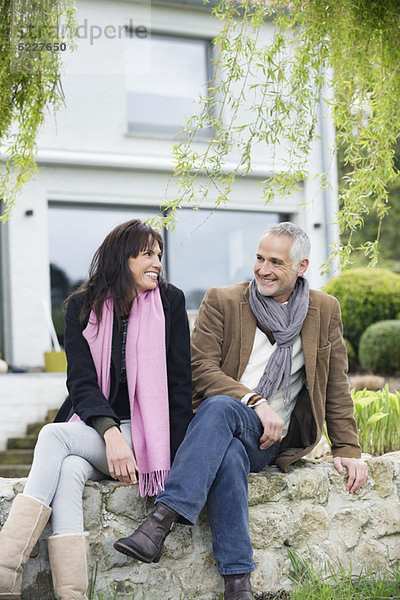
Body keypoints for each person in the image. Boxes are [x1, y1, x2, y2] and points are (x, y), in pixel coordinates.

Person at [113, 221, 368, 600]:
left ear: (301, 267)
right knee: (224, 436)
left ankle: (158, 524)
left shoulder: (324, 310)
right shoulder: (224, 301)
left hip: (269, 439)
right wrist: (255, 400)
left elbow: (335, 384)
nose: (263, 269)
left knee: (225, 420)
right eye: (259, 258)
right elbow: (200, 369)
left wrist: (348, 449)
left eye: (276, 263)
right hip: (218, 426)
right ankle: (238, 584)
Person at [0, 219, 193, 600]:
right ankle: (72, 593)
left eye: (159, 255)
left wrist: (176, 458)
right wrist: (111, 434)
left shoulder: (170, 302)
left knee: (53, 436)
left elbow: (180, 385)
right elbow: (82, 383)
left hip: (148, 434)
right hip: (99, 430)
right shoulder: (81, 307)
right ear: (122, 259)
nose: (156, 262)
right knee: (70, 469)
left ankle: (5, 570)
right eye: (146, 255)